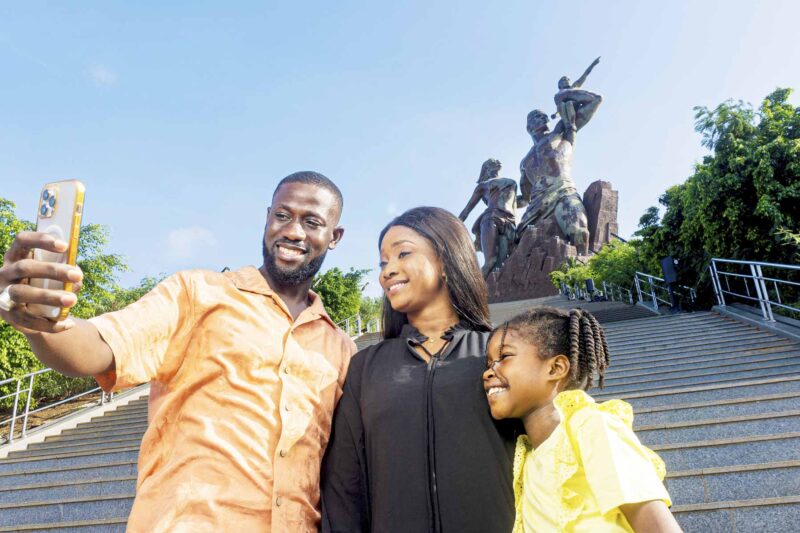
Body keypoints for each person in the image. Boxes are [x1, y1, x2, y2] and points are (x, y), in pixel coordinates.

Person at [0, 171, 357, 532]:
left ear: (334, 236)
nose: (293, 231)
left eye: (311, 222)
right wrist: (38, 321)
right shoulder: (198, 293)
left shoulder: (341, 349)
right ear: (267, 218)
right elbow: (99, 347)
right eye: (282, 215)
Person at [321, 206, 519, 533]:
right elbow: (343, 487)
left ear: (446, 259)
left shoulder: (501, 352)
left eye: (403, 254)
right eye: (383, 262)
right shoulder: (365, 367)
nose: (387, 271)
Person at [483, 307, 682, 532]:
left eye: (504, 356)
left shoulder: (592, 426)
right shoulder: (525, 460)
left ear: (556, 368)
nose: (488, 372)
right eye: (489, 363)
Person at [458, 158, 518, 278]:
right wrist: (453, 227)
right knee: (491, 262)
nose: (497, 161)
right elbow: (467, 209)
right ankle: (473, 291)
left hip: (509, 222)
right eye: (492, 162)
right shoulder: (483, 186)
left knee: (507, 261)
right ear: (486, 169)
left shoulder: (511, 182)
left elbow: (518, 201)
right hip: (491, 219)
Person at [551, 56, 601, 136]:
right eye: (564, 80)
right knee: (555, 132)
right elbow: (559, 109)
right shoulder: (558, 95)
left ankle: (570, 128)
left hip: (575, 111)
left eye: (568, 79)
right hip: (565, 115)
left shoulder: (573, 88)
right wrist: (555, 115)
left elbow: (584, 75)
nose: (566, 81)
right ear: (559, 85)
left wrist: (592, 65)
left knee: (569, 103)